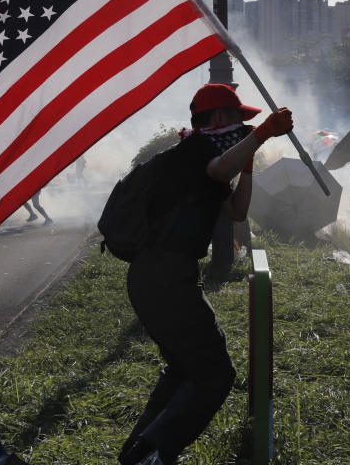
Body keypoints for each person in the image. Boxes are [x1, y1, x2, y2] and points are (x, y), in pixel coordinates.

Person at [117, 84, 292, 465]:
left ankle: (138, 452)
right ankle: (152, 454)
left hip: (161, 277)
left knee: (183, 369)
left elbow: (237, 211)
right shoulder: (196, 151)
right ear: (217, 119)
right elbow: (217, 168)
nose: (243, 127)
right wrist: (262, 132)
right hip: (163, 277)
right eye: (237, 120)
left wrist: (247, 162)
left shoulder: (203, 158)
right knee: (214, 375)